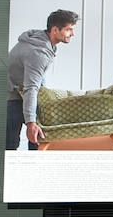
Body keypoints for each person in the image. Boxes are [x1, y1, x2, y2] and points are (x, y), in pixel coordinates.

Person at [6, 9, 79, 150]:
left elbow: (39, 78)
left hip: (22, 94)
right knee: (11, 146)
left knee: (38, 140)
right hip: (12, 97)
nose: (73, 34)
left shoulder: (41, 40)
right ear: (55, 30)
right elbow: (31, 87)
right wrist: (31, 122)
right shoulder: (38, 52)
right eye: (69, 30)